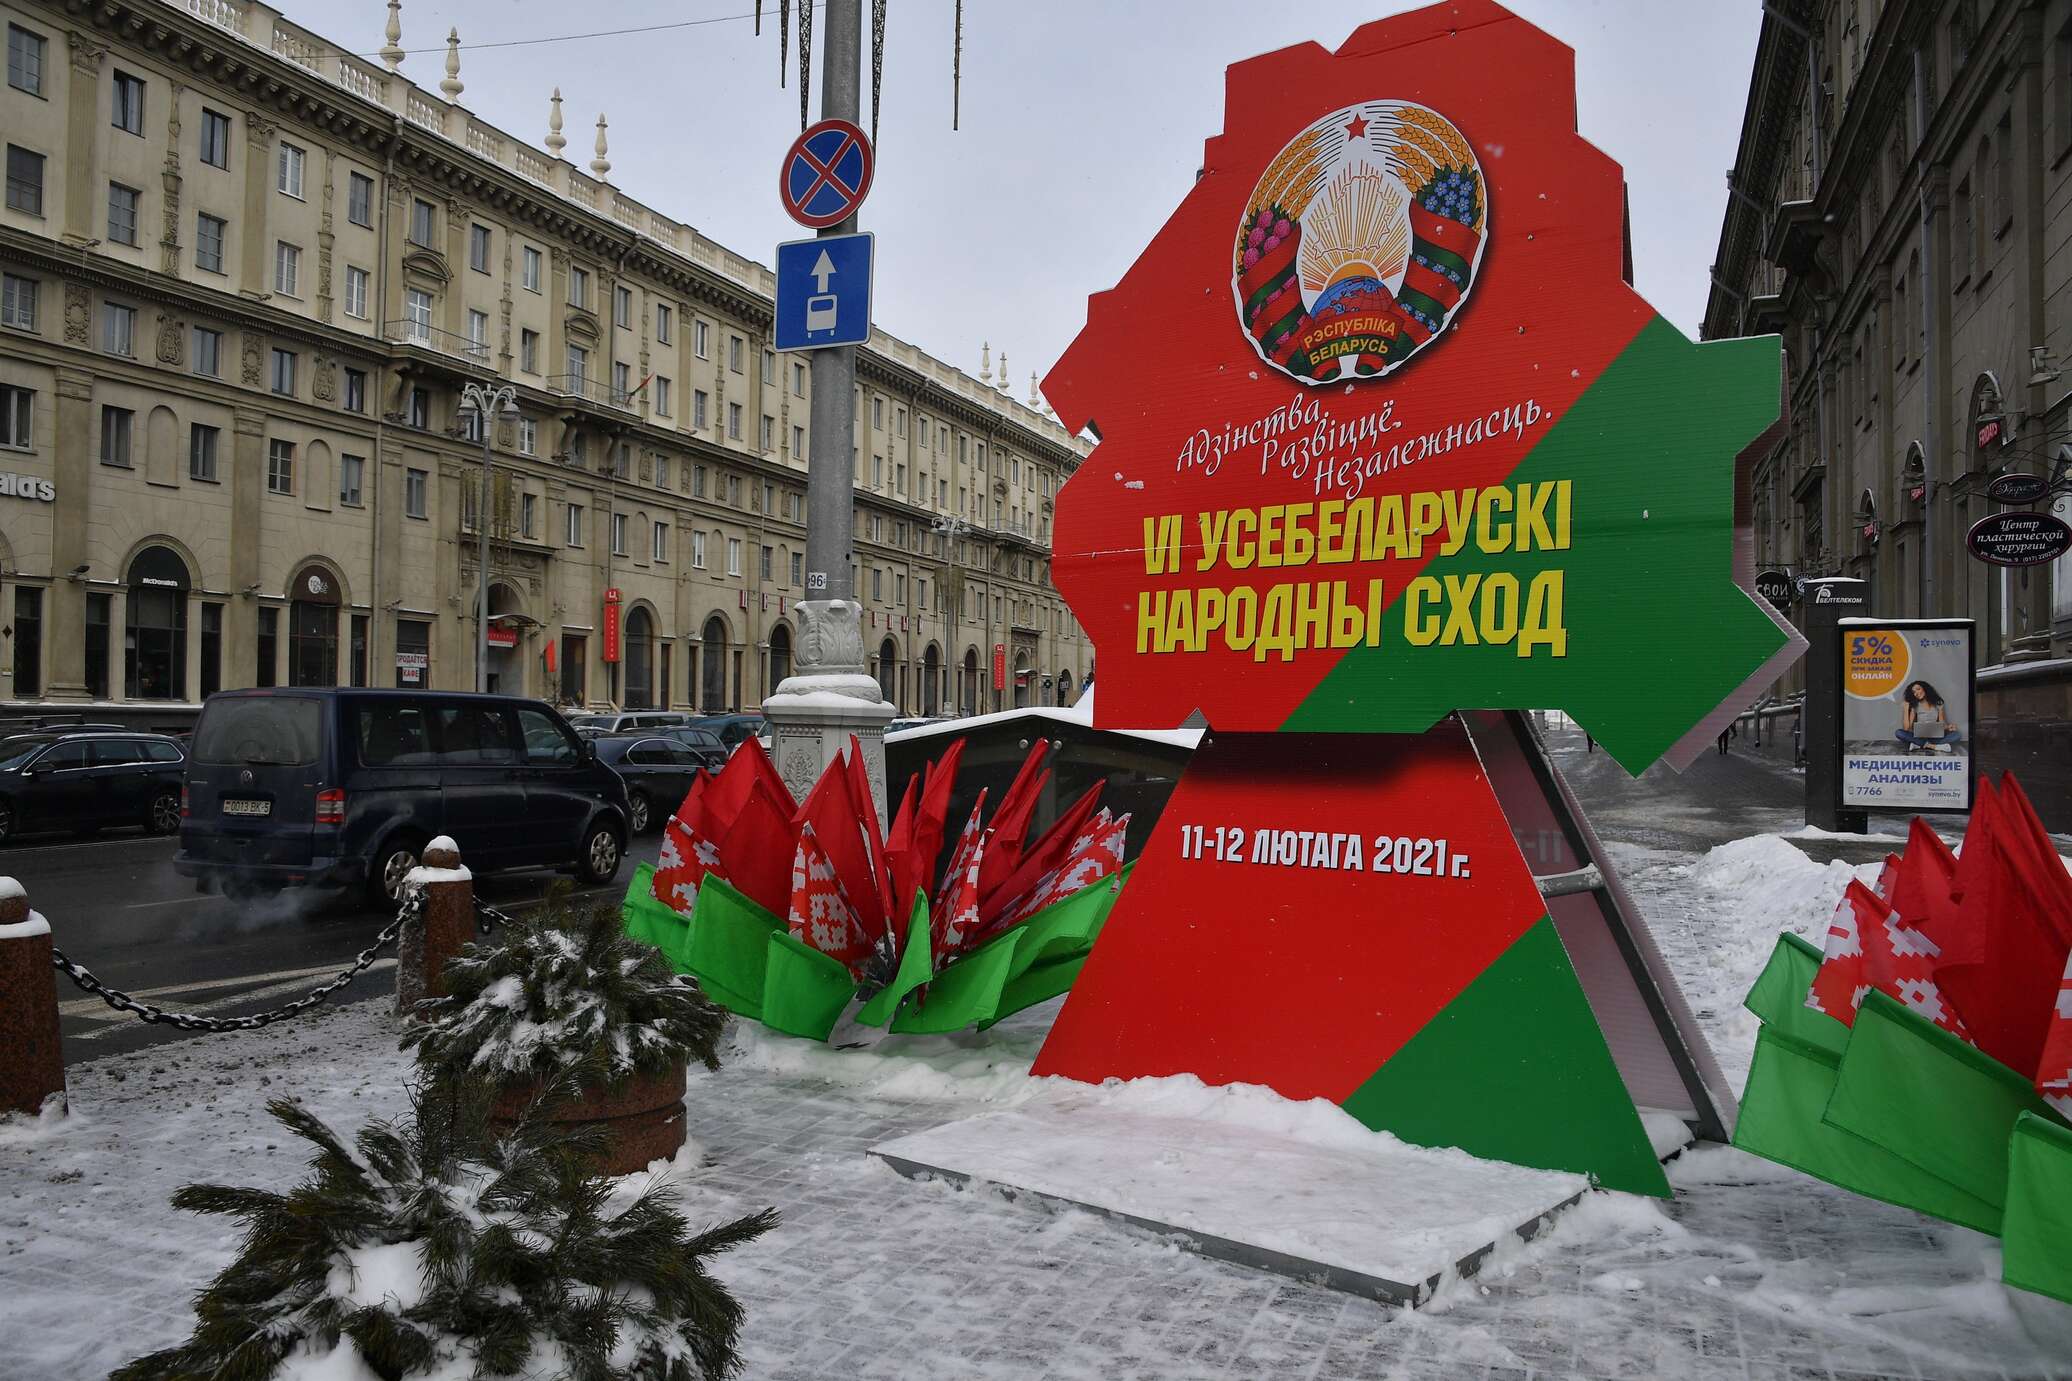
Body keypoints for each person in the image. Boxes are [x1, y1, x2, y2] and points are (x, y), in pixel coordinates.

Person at [1894, 679, 1962, 754]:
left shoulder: (1938, 703)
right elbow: (1907, 728)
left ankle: (1920, 745)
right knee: (1899, 733)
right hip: (1919, 737)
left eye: (1918, 689)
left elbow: (1942, 724)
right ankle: (1935, 746)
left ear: (1925, 688)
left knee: (1957, 735)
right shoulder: (1915, 706)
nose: (1916, 693)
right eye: (1914, 692)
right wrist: (1906, 709)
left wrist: (1949, 727)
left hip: (1935, 738)